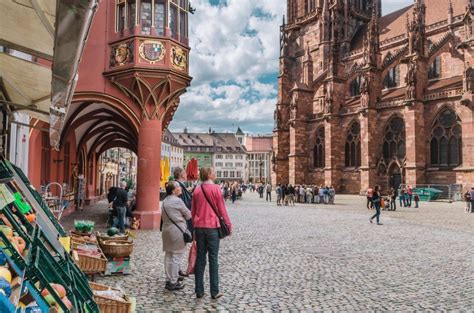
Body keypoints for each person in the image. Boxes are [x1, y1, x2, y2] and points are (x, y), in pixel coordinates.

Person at [191, 167, 232, 299]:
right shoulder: (215, 189)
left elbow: (193, 211)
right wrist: (228, 224)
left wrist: (194, 226)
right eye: (213, 172)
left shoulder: (197, 190)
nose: (215, 174)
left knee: (200, 258)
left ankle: (199, 290)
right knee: (213, 259)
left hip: (199, 227)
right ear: (208, 174)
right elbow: (222, 209)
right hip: (212, 227)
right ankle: (214, 291)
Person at [162, 182, 192, 291]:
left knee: (168, 255)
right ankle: (173, 282)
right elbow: (188, 215)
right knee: (176, 257)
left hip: (166, 230)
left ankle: (168, 279)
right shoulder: (178, 201)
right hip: (177, 231)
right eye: (178, 187)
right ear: (174, 191)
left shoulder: (165, 201)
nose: (180, 188)